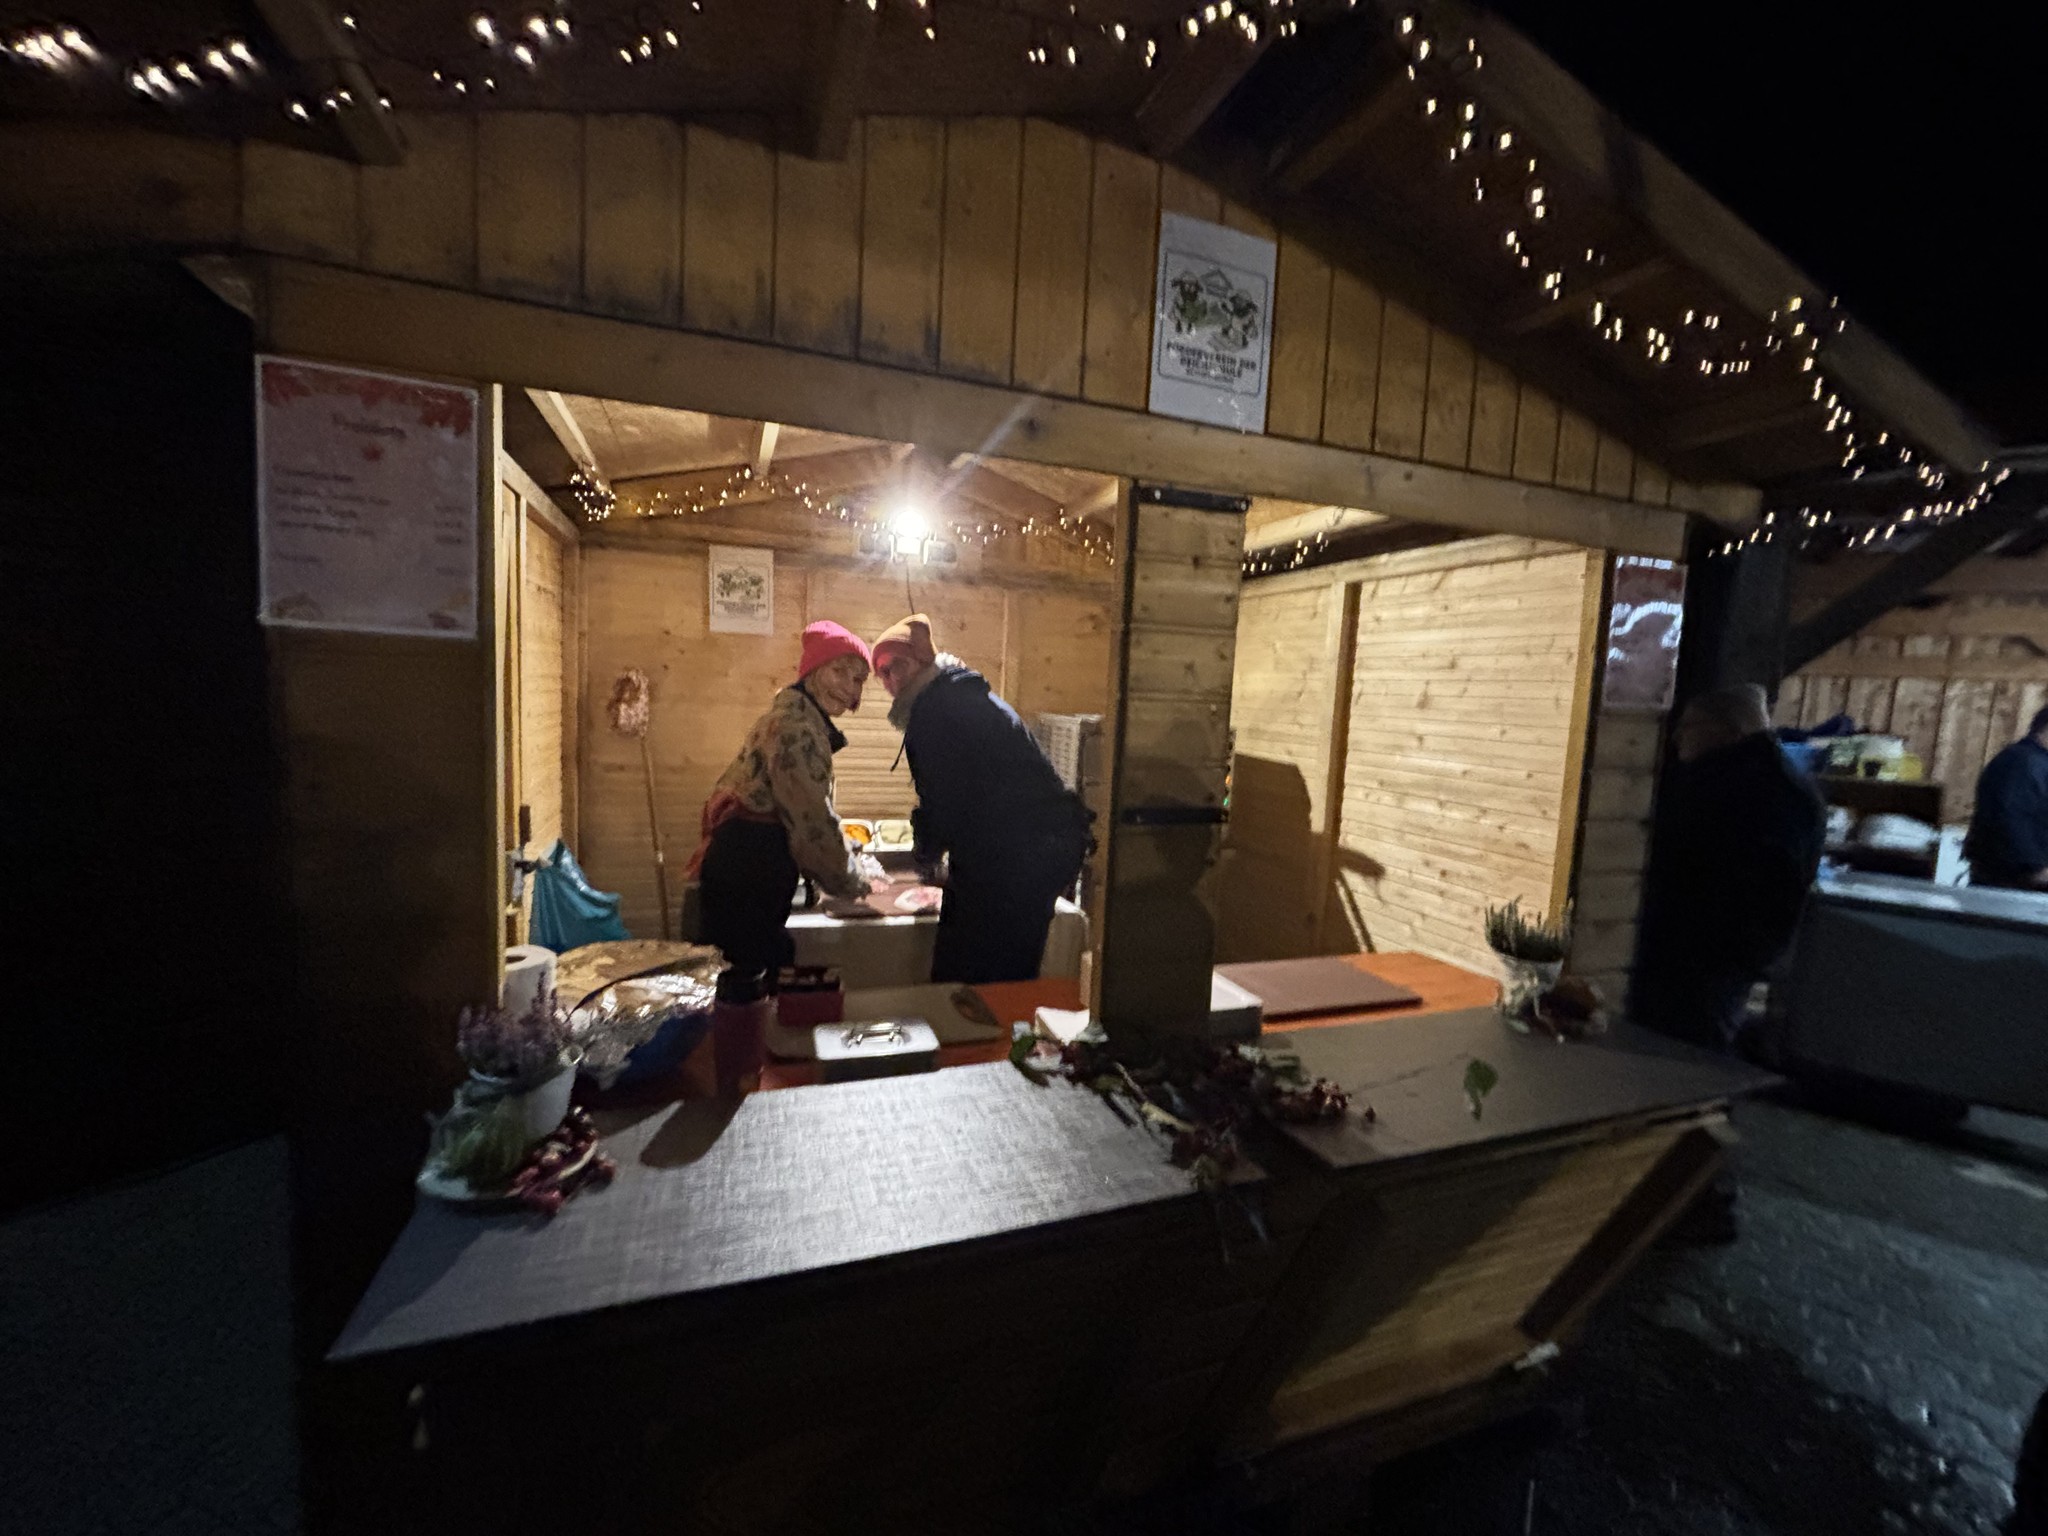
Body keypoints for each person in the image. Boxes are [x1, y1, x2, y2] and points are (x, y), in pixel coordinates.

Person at [870, 614, 1090, 985]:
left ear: (923, 662)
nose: (891, 680)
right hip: (1039, 848)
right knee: (1005, 969)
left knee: (973, 974)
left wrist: (924, 857)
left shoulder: (935, 712)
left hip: (1018, 857)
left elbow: (942, 802)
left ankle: (983, 1020)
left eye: (897, 666)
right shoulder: (960, 695)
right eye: (882, 673)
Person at [1632, 683, 1827, 1053]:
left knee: (1682, 1050)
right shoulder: (1786, 785)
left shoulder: (1730, 786)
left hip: (1702, 954)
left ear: (1729, 730)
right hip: (1724, 954)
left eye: (1689, 726)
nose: (1677, 737)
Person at [687, 621, 877, 995]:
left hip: (742, 867)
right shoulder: (797, 729)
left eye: (857, 679)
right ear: (812, 671)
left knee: (745, 979)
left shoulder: (794, 719)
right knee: (749, 986)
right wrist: (854, 881)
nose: (848, 686)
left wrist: (845, 854)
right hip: (749, 873)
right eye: (839, 671)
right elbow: (811, 824)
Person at [1965, 707, 2048, 890]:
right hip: (2014, 885)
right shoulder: (2023, 765)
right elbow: (2012, 822)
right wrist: (2036, 869)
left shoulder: (2031, 762)